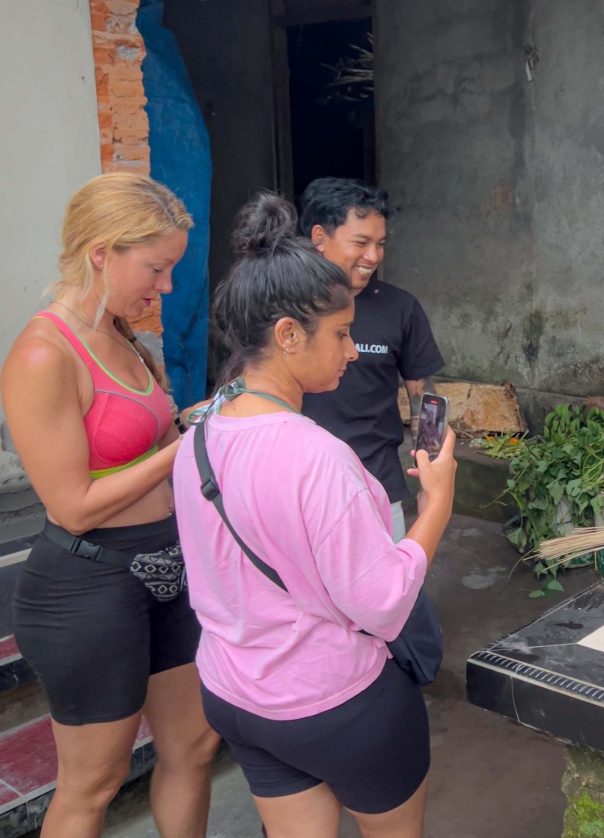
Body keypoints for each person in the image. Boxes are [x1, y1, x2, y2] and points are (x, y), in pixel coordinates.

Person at [173, 194, 457, 838]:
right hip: (332, 702)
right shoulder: (317, 457)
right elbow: (381, 604)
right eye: (340, 333)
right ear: (287, 335)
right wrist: (436, 504)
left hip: (234, 695)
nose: (353, 352)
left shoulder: (199, 434)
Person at [0, 172, 219, 837]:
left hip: (169, 570)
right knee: (93, 784)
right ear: (102, 252)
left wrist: (196, 423)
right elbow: (73, 505)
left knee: (195, 748)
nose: (168, 286)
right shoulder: (43, 355)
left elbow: (150, 442)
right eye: (156, 267)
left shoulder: (127, 337)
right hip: (86, 585)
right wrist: (179, 451)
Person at [298, 177, 445, 542]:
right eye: (361, 243)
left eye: (379, 244)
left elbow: (425, 398)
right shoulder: (285, 305)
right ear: (319, 238)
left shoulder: (399, 308)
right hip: (299, 486)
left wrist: (431, 471)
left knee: (391, 594)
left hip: (378, 487)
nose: (374, 257)